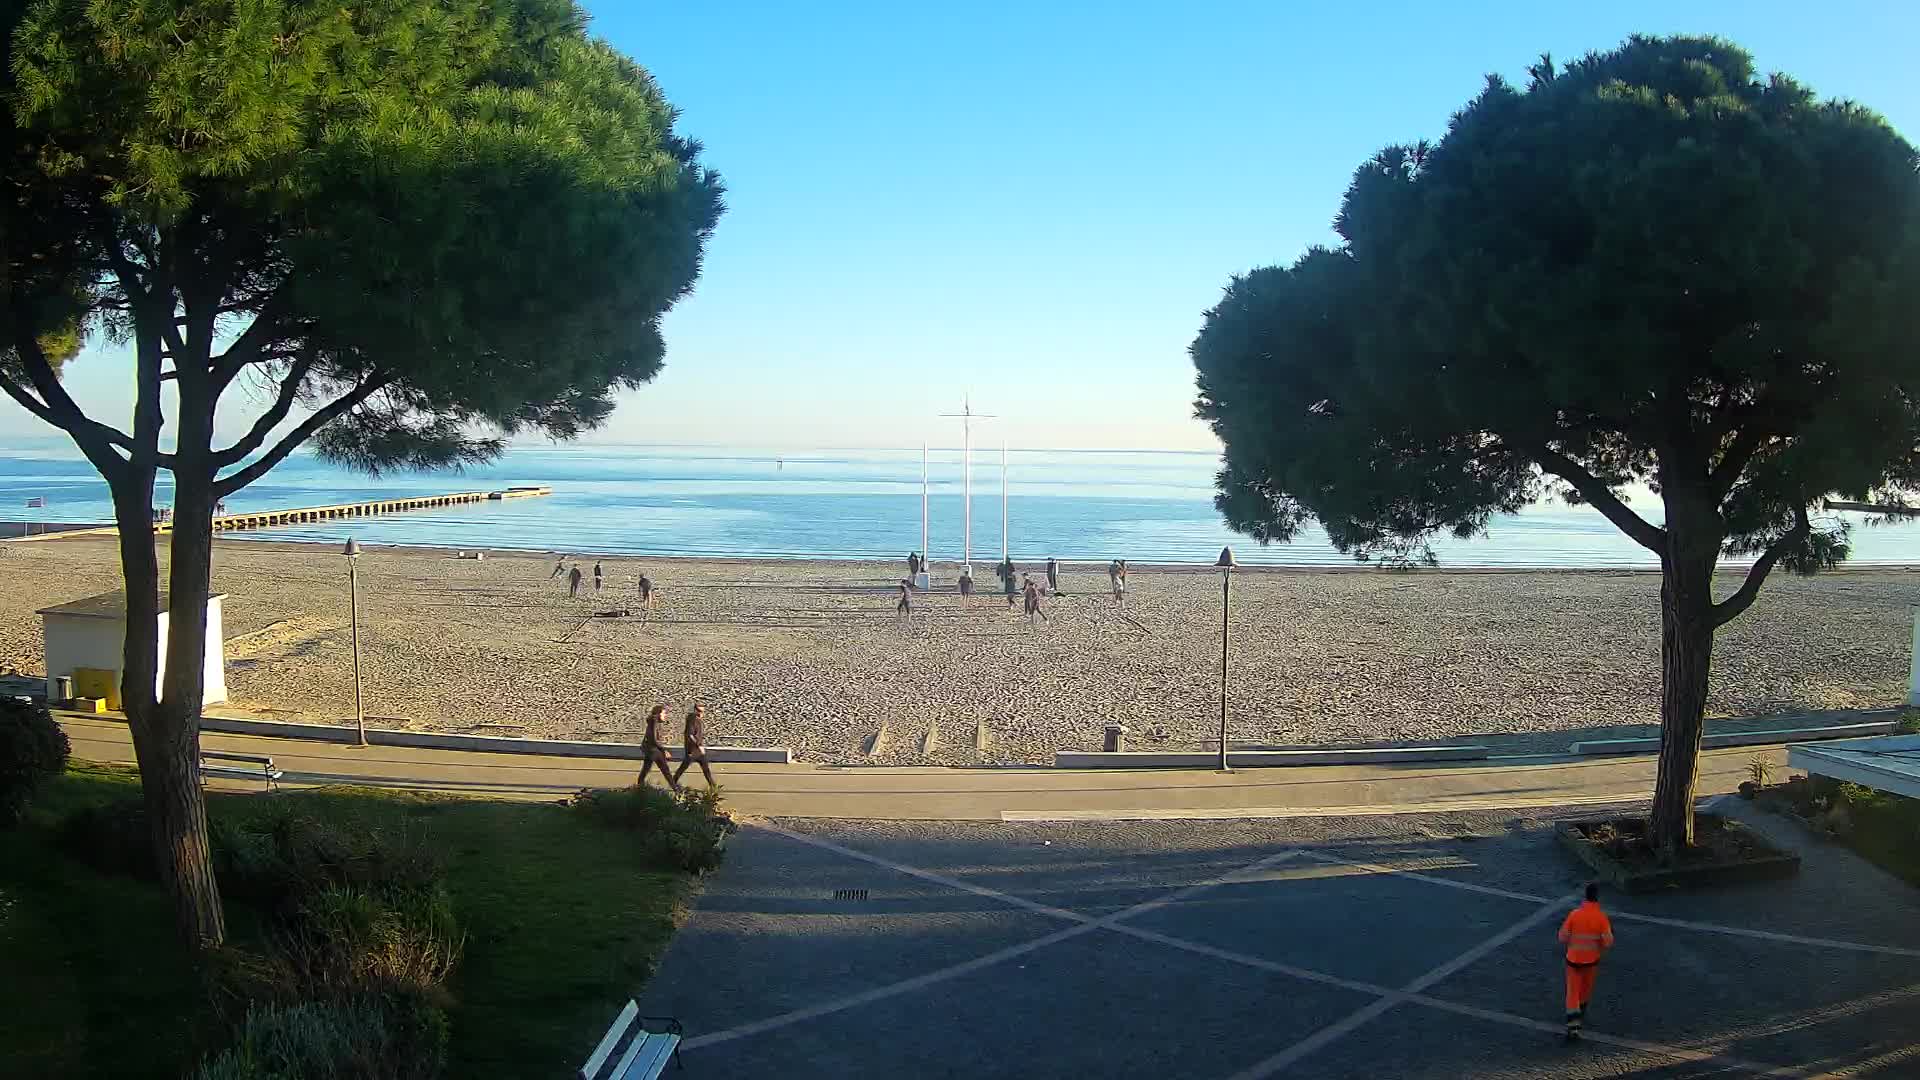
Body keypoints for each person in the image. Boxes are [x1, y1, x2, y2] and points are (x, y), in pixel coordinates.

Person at [1558, 882, 1614, 1041]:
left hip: (1573, 959)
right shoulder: (1601, 917)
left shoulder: (1575, 914)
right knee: (1585, 990)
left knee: (1572, 992)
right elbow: (1608, 942)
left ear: (1585, 896)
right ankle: (1581, 1015)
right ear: (1597, 898)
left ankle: (1572, 1025)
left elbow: (1562, 937)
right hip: (1591, 960)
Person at [636, 705, 680, 791]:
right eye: (664, 713)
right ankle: (676, 789)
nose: (665, 715)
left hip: (651, 750)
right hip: (654, 750)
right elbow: (654, 739)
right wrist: (664, 750)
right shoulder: (654, 722)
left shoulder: (653, 722)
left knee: (646, 770)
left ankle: (639, 787)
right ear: (658, 713)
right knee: (665, 770)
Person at [672, 703, 716, 787]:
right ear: (695, 710)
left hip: (698, 750)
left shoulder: (698, 720)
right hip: (692, 750)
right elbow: (690, 735)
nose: (701, 713)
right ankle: (673, 781)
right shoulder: (693, 720)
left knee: (706, 768)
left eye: (702, 711)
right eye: (699, 711)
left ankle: (713, 786)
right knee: (684, 767)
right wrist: (699, 745)